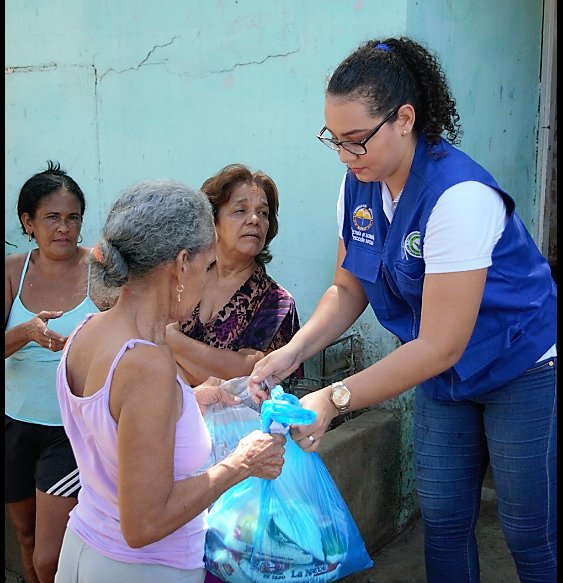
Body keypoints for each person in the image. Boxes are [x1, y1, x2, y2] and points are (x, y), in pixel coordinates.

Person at [249, 36, 557, 583]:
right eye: (334, 141)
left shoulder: (458, 196)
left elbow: (442, 343)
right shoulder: (358, 186)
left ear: (404, 119)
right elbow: (348, 288)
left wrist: (335, 397)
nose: (345, 156)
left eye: (356, 141)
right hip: (442, 374)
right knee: (442, 519)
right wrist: (292, 352)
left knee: (531, 532)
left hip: (520, 367)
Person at [53, 178, 286, 583]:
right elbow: (144, 523)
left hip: (83, 548)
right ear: (181, 265)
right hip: (142, 569)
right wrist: (241, 463)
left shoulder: (87, 331)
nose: (207, 276)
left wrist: (189, 401)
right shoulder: (148, 364)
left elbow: (113, 427)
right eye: (207, 264)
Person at [5, 161, 106, 583]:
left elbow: (125, 338)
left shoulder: (99, 269)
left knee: (52, 555)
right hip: (13, 424)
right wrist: (26, 332)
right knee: (25, 536)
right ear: (28, 222)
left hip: (69, 430)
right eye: (51, 217)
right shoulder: (13, 270)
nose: (63, 228)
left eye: (72, 218)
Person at [166, 163, 302, 387]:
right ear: (213, 221)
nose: (255, 220)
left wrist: (171, 339)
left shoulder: (276, 302)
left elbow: (247, 372)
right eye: (240, 211)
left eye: (263, 213)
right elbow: (150, 348)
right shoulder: (185, 275)